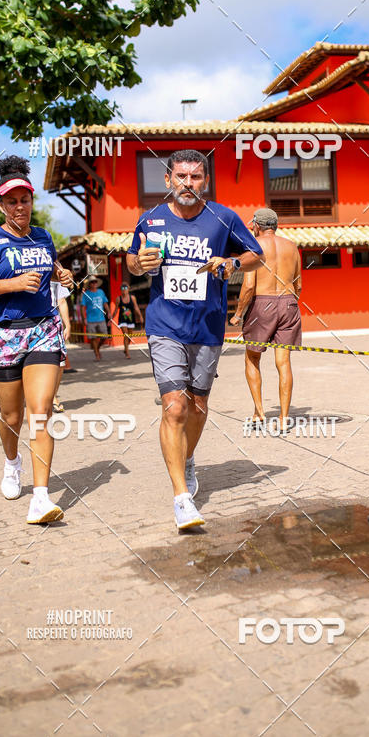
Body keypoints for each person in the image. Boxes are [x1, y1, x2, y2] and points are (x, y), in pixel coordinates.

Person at [127, 149, 264, 531]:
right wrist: (140, 264)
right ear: (168, 180)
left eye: (196, 177)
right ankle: (181, 498)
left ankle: (187, 459)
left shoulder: (224, 218)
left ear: (206, 181)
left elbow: (257, 253)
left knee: (198, 406)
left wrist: (231, 263)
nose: (188, 183)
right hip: (164, 325)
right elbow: (130, 259)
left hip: (207, 327)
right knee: (174, 408)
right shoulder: (151, 220)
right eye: (181, 176)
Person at [0, 155, 72, 525]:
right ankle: (12, 463)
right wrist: (10, 284)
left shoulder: (42, 236)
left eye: (24, 199)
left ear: (31, 201)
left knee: (41, 412)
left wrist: (62, 274)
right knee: (11, 415)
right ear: (1, 204)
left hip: (43, 329)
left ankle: (40, 497)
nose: (19, 206)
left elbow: (51, 267)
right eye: (12, 200)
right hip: (5, 336)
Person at [230, 208, 302, 431]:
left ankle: (259, 413)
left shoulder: (254, 247)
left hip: (262, 303)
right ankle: (283, 418)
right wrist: (287, 304)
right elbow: (299, 285)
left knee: (252, 358)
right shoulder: (292, 247)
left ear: (257, 226)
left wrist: (238, 314)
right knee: (284, 362)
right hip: (289, 302)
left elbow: (249, 286)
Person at [51, 280, 71, 413]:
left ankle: (52, 396)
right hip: (29, 323)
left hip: (53, 324)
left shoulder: (55, 278)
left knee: (60, 364)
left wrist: (67, 325)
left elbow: (62, 301)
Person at [80, 276, 110, 360]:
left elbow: (105, 303)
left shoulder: (101, 292)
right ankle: (97, 354)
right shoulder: (86, 294)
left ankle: (97, 348)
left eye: (95, 282)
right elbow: (82, 307)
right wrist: (84, 318)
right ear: (89, 284)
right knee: (92, 338)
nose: (94, 283)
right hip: (90, 319)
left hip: (101, 318)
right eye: (92, 282)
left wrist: (109, 312)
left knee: (104, 336)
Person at [110, 283, 143, 358]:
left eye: (125, 288)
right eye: (122, 289)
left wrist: (140, 316)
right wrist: (111, 318)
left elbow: (136, 307)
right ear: (121, 290)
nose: (124, 290)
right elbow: (115, 310)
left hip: (131, 319)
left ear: (128, 289)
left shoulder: (132, 298)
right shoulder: (119, 299)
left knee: (130, 336)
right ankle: (127, 354)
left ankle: (126, 348)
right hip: (122, 319)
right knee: (126, 335)